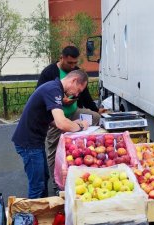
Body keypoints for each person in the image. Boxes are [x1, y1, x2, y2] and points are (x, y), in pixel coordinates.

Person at [37, 46, 106, 192]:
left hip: (74, 112)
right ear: (61, 58)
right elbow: (42, 95)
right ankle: (57, 185)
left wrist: (95, 109)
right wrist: (61, 101)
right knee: (54, 151)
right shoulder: (49, 72)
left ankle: (88, 159)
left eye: (75, 63)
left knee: (96, 118)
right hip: (56, 116)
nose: (72, 66)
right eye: (69, 63)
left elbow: (85, 95)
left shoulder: (77, 73)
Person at [12, 70, 90, 199]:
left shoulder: (54, 88)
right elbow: (60, 123)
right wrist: (80, 126)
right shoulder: (53, 90)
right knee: (37, 185)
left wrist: (70, 123)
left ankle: (43, 210)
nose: (76, 94)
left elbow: (51, 119)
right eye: (78, 90)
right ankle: (33, 217)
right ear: (74, 80)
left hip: (34, 142)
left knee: (43, 178)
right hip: (29, 143)